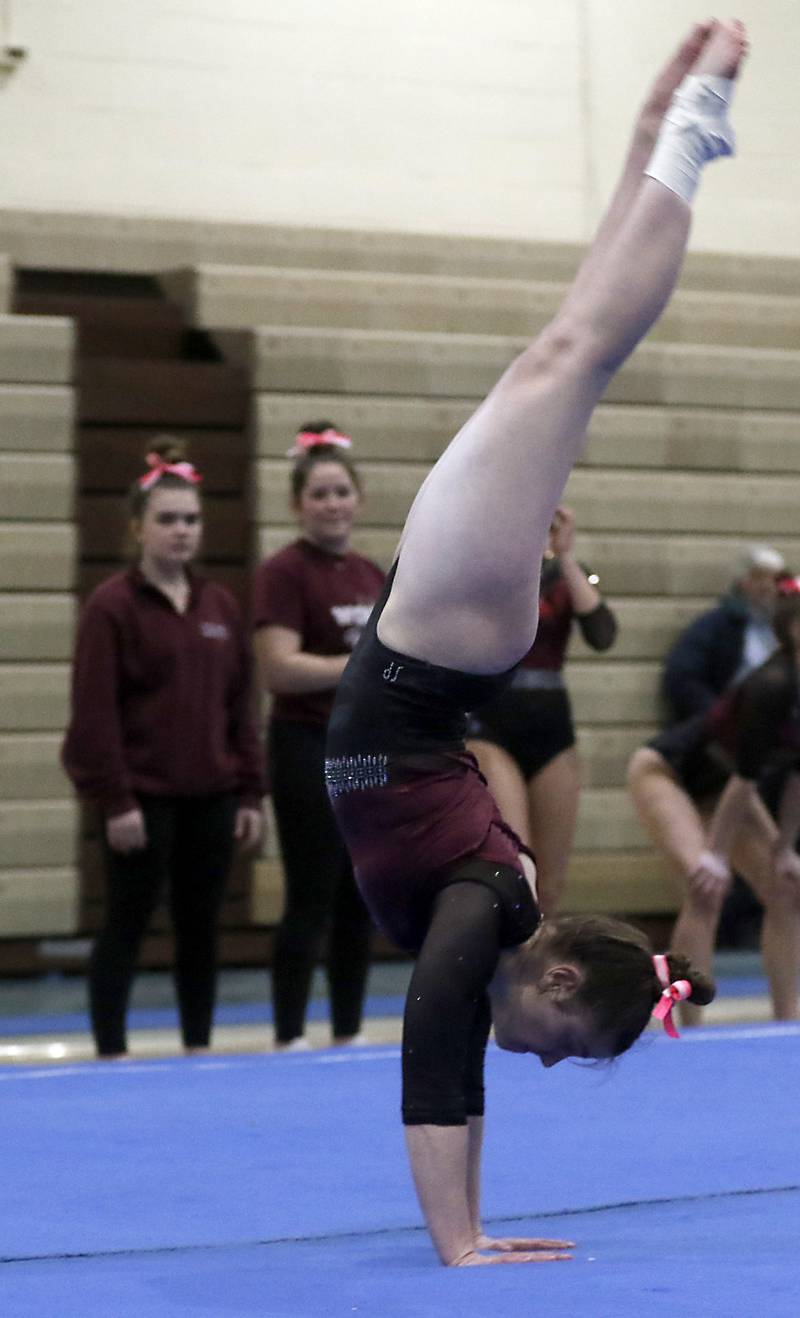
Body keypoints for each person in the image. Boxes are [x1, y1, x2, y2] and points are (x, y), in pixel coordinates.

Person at [324, 19, 745, 1267]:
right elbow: (435, 1040)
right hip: (437, 648)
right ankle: (678, 144)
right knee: (572, 359)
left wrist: (465, 1231)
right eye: (563, 1050)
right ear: (556, 984)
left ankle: (659, 137)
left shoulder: (490, 916)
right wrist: (457, 1240)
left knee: (565, 353)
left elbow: (452, 1052)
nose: (539, 1066)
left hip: (436, 647)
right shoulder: (489, 909)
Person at [62, 438, 264, 1059]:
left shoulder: (219, 607)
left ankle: (198, 1047)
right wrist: (115, 799)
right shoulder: (112, 607)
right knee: (125, 924)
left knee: (200, 930)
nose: (182, 531)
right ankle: (110, 1051)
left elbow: (240, 708)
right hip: (140, 800)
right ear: (138, 529)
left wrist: (251, 790)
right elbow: (94, 713)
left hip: (211, 796)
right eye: (168, 519)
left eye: (192, 519)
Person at [253, 424, 384, 1049]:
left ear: (358, 498)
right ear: (297, 504)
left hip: (361, 749)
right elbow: (279, 666)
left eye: (341, 492)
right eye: (319, 494)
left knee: (362, 889)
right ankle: (288, 1032)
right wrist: (351, 667)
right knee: (310, 890)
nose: (332, 504)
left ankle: (348, 1029)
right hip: (306, 744)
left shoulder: (368, 572)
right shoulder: (284, 572)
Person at [628, 587, 800, 1026]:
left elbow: (797, 777)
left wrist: (785, 848)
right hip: (668, 771)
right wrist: (716, 856)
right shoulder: (772, 684)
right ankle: (688, 1024)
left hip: (723, 785)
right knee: (706, 885)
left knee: (786, 887)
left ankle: (787, 1019)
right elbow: (745, 780)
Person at [467, 505, 617, 915]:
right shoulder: (484, 571)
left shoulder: (566, 575)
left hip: (552, 731)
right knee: (517, 870)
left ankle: (537, 978)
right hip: (492, 727)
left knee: (550, 885)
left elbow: (603, 633)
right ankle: (502, 972)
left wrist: (565, 556)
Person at [662, 542, 785, 723]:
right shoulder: (716, 625)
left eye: (774, 579)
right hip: (733, 723)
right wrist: (719, 716)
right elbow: (682, 677)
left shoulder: (785, 625)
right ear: (742, 581)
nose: (766, 586)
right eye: (758, 577)